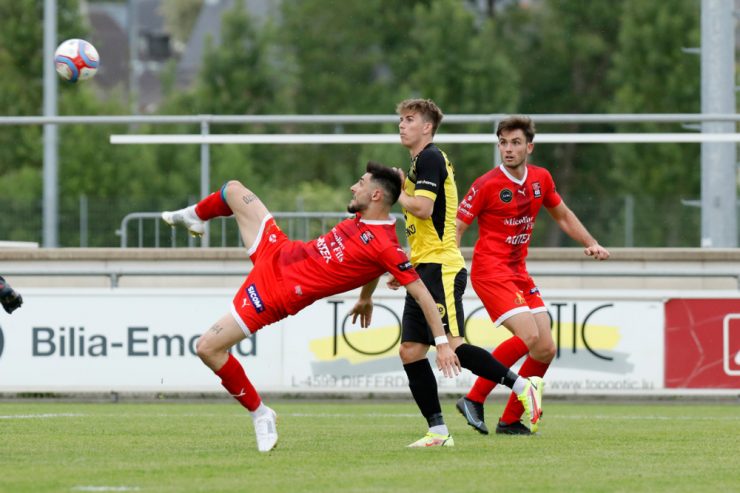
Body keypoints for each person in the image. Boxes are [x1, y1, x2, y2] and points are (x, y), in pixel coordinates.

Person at [161, 161, 464, 453]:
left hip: (275, 292)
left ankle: (260, 413)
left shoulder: (386, 246)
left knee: (207, 347)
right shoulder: (363, 221)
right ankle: (196, 216)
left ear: (375, 195)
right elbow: (372, 268)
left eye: (359, 183)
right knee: (233, 190)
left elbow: (423, 294)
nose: (352, 187)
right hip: (278, 250)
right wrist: (365, 297)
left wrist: (441, 343)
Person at [388, 98, 543, 447]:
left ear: (427, 127)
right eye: (401, 119)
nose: (402, 125)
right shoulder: (418, 163)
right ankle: (438, 432)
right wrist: (407, 268)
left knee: (454, 346)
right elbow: (424, 224)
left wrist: (397, 192)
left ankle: (523, 387)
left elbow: (425, 210)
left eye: (409, 119)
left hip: (442, 268)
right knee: (411, 350)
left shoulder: (430, 157)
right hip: (424, 268)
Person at [455, 115, 610, 435]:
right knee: (528, 336)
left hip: (518, 272)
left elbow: (563, 215)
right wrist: (450, 266)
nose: (508, 149)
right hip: (490, 271)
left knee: (545, 348)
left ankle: (510, 420)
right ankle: (473, 398)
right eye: (502, 143)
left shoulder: (542, 178)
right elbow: (456, 227)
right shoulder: (485, 185)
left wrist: (590, 242)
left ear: (530, 147)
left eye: (515, 143)